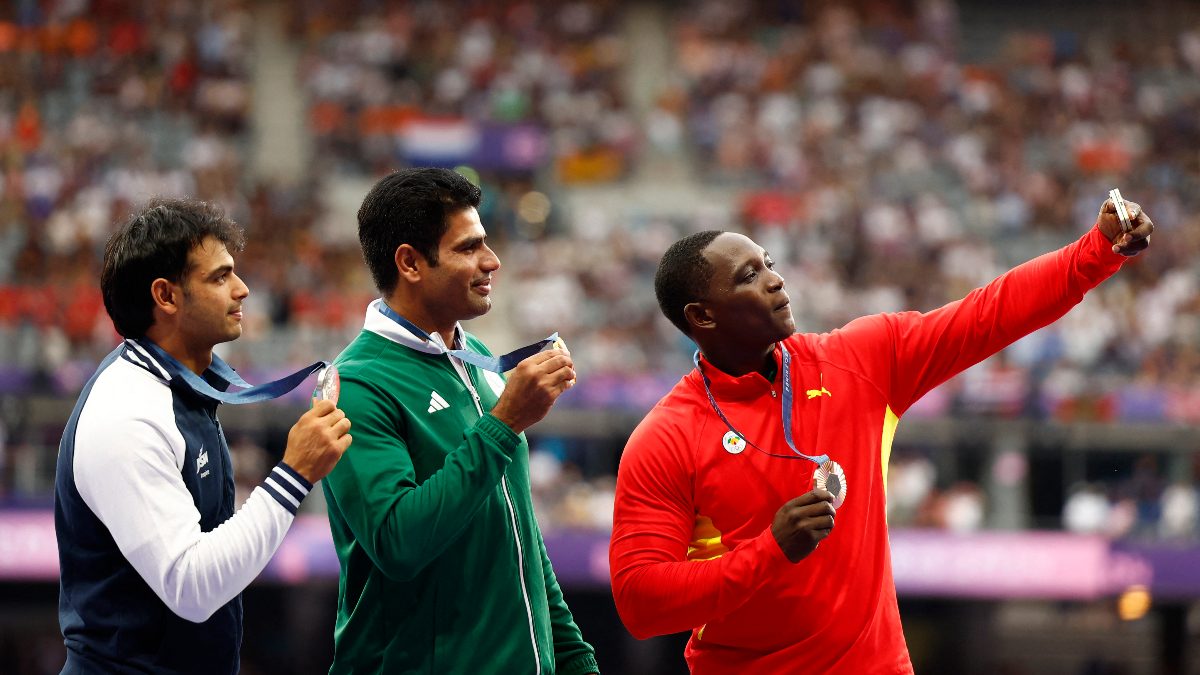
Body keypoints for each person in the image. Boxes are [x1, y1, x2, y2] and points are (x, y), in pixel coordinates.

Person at [609, 196, 1154, 674]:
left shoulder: (860, 359)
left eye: (769, 264)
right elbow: (640, 603)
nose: (776, 279)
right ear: (702, 316)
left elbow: (989, 314)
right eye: (749, 276)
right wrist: (769, 552)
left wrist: (1098, 250)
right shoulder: (666, 437)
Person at [55, 198, 353, 674]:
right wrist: (293, 475)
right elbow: (190, 588)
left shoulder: (177, 384)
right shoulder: (126, 413)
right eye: (219, 277)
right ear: (166, 296)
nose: (243, 289)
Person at [322, 167, 599, 675]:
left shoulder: (476, 356)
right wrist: (504, 421)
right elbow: (398, 542)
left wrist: (578, 660)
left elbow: (519, 538)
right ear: (409, 262)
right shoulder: (356, 386)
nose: (492, 261)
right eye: (468, 248)